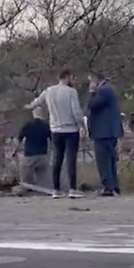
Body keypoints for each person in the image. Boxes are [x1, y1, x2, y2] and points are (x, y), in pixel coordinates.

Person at [26, 70, 86, 199]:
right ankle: (72, 188)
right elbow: (76, 111)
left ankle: (56, 189)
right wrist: (81, 125)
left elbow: (37, 102)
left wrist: (29, 106)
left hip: (55, 130)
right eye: (72, 77)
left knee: (57, 159)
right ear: (68, 77)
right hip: (70, 130)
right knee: (70, 160)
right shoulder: (71, 92)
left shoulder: (49, 91)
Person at [87, 74, 122, 196]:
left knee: (103, 161)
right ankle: (114, 185)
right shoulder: (109, 90)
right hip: (109, 132)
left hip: (103, 132)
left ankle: (108, 186)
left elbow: (92, 105)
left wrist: (91, 92)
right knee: (110, 160)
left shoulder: (103, 91)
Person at [17, 107, 51, 188]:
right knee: (42, 176)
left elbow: (19, 139)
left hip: (29, 155)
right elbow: (52, 139)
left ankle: (27, 188)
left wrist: (15, 150)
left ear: (33, 114)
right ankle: (42, 188)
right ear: (42, 115)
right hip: (43, 155)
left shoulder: (28, 125)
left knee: (25, 176)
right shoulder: (46, 125)